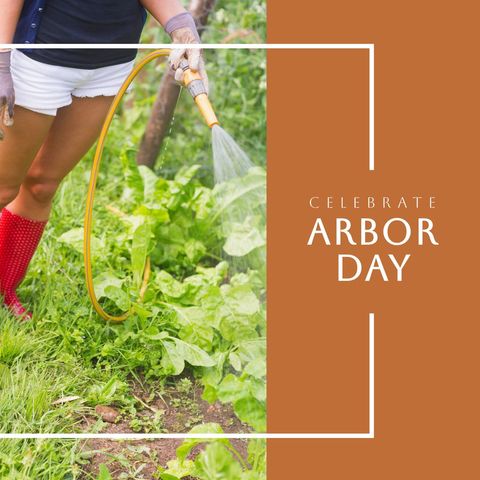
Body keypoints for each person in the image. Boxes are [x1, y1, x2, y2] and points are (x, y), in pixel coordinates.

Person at [0, 0, 207, 319]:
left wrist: (182, 26)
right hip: (37, 60)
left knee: (43, 185)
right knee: (3, 188)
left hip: (107, 68)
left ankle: (4, 289)